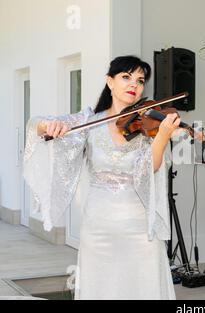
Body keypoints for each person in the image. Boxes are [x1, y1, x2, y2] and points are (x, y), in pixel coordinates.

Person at [23, 55, 182, 300]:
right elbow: (35, 124)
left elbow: (150, 169)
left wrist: (162, 136)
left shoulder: (147, 125)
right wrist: (48, 125)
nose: (134, 85)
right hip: (99, 226)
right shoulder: (89, 121)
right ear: (110, 81)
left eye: (140, 81)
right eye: (126, 77)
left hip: (139, 228)